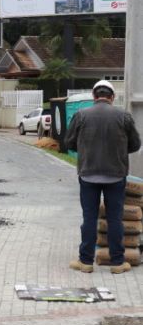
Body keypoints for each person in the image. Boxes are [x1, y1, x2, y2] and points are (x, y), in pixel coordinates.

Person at [66, 80, 141, 274]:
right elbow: (135, 144)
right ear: (112, 97)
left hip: (88, 174)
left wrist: (84, 151)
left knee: (89, 218)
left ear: (94, 96)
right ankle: (117, 263)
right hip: (116, 176)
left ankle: (86, 262)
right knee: (115, 219)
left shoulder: (81, 115)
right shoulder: (123, 116)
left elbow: (69, 142)